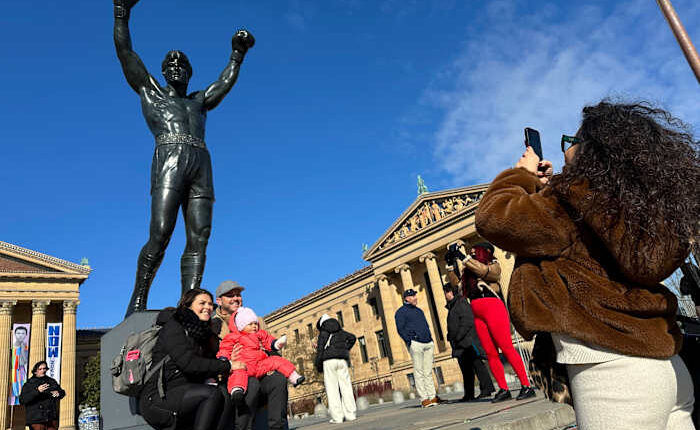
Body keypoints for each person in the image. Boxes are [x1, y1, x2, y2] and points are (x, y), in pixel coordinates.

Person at [475, 101, 699, 429]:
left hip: (611, 371)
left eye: (571, 140)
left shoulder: (570, 200)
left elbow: (494, 217)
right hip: (667, 367)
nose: (565, 146)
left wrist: (520, 176)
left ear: (593, 151)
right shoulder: (627, 203)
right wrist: (549, 188)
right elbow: (586, 243)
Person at [113, 0, 256, 317]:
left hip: (200, 163)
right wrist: (121, 12)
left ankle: (189, 302)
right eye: (170, 65)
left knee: (199, 236)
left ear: (190, 74)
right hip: (169, 158)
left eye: (182, 65)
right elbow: (126, 53)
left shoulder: (199, 102)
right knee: (161, 233)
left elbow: (225, 82)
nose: (175, 67)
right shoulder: (152, 92)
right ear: (163, 72)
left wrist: (237, 54)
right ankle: (138, 299)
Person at [138, 288, 234, 430]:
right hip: (158, 397)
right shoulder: (174, 326)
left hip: (186, 391)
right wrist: (228, 365)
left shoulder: (203, 333)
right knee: (211, 394)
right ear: (188, 305)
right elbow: (189, 363)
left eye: (210, 304)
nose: (208, 307)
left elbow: (208, 364)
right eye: (202, 303)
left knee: (225, 395)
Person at [449, 243, 534, 402]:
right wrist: (450, 264)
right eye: (470, 251)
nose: (472, 252)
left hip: (492, 307)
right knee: (490, 353)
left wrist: (464, 258)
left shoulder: (493, 264)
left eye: (475, 250)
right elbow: (457, 285)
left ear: (485, 251)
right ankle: (503, 389)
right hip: (476, 310)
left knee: (507, 347)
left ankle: (526, 385)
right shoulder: (469, 271)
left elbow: (484, 272)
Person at [211, 280, 289, 430]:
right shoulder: (214, 325)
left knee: (278, 379)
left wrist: (273, 358)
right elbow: (213, 355)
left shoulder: (256, 320)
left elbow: (270, 345)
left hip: (260, 369)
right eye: (230, 295)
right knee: (250, 384)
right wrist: (228, 361)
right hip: (233, 376)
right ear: (219, 301)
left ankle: (277, 427)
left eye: (238, 295)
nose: (235, 298)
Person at [217, 307, 304, 404]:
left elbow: (267, 340)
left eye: (255, 323)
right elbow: (225, 348)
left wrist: (275, 344)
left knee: (276, 360)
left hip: (260, 365)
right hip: (245, 365)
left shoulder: (259, 334)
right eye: (250, 324)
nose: (254, 326)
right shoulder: (233, 336)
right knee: (238, 372)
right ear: (241, 325)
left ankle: (293, 376)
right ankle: (237, 389)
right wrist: (224, 358)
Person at [442, 283, 495, 401]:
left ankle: (487, 389)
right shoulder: (454, 305)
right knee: (466, 370)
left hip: (467, 342)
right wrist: (450, 336)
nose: (445, 295)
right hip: (460, 343)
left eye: (446, 292)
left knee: (477, 366)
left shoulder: (461, 303)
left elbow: (467, 321)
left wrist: (458, 336)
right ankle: (469, 394)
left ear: (451, 292)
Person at [395, 289, 440, 407]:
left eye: (415, 295)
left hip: (428, 343)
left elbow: (425, 325)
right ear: (407, 298)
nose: (416, 298)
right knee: (419, 371)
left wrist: (430, 338)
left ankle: (432, 397)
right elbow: (400, 329)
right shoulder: (401, 312)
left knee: (428, 371)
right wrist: (410, 340)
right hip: (416, 344)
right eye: (413, 296)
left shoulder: (419, 311)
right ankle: (424, 399)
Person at [314, 314, 357, 424]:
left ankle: (337, 417)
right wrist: (344, 349)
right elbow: (352, 338)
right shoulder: (340, 331)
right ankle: (351, 414)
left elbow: (320, 350)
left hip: (329, 361)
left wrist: (318, 365)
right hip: (342, 360)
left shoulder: (323, 333)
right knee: (346, 386)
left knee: (332, 389)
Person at [19, 361, 65, 430]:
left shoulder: (51, 381)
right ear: (35, 371)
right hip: (36, 419)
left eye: (44, 369)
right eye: (40, 369)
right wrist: (37, 391)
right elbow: (22, 400)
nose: (43, 371)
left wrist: (59, 393)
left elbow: (62, 392)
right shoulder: (29, 384)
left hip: (51, 418)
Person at [11, 326, 29, 404]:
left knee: (22, 385)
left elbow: (24, 361)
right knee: (15, 387)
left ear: (26, 335)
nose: (20, 335)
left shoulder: (25, 346)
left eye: (23, 333)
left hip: (22, 370)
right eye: (18, 333)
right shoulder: (14, 346)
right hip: (14, 371)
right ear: (14, 334)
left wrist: (22, 349)